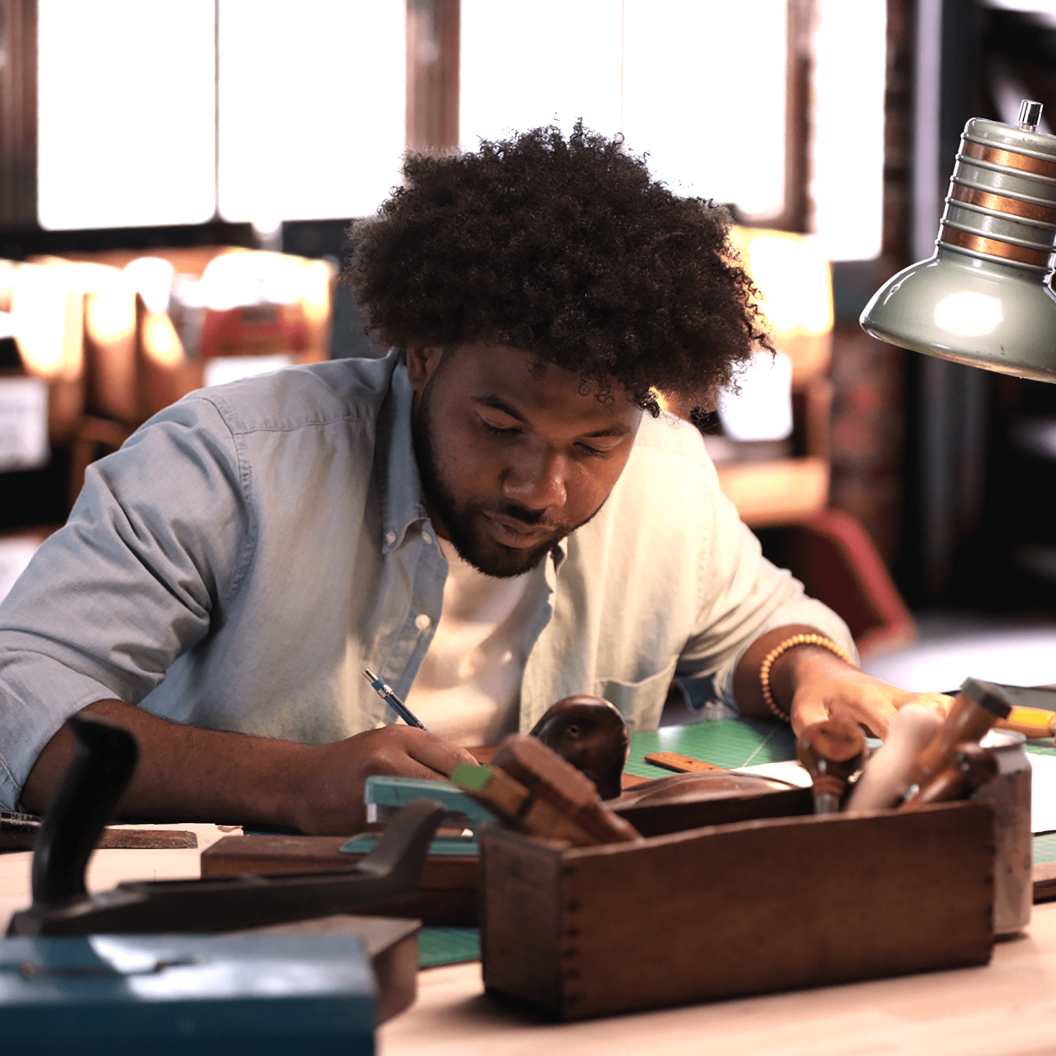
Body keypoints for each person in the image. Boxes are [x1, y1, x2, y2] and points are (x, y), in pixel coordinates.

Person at [0, 124, 948, 832]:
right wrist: (291, 781)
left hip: (563, 919)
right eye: (501, 424)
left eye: (593, 446)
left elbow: (758, 628)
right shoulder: (228, 463)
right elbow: (19, 693)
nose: (542, 487)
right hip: (254, 932)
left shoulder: (666, 472)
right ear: (422, 352)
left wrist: (813, 671)